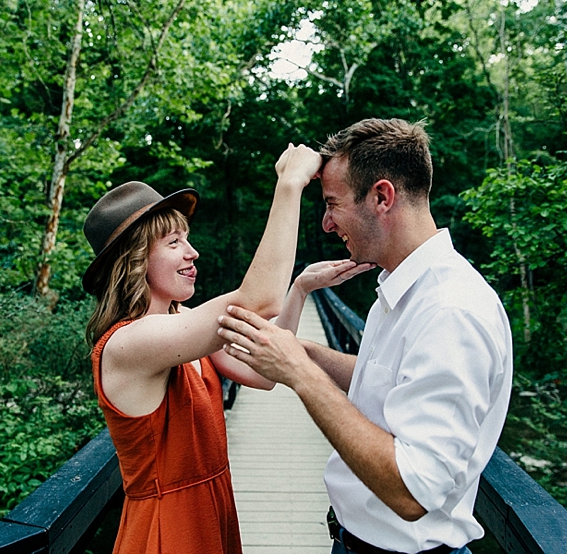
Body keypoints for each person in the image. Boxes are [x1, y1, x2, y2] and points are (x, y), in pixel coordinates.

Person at [218, 119, 513, 554]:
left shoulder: (452, 310)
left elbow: (412, 492)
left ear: (381, 197)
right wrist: (304, 351)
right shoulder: (405, 290)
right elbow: (393, 382)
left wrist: (299, 372)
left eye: (332, 203)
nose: (325, 223)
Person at [75, 143, 320, 553]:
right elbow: (257, 299)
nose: (193, 253)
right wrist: (289, 184)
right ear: (135, 260)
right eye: (174, 243)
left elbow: (263, 374)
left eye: (187, 239)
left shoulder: (180, 326)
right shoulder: (129, 342)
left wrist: (299, 289)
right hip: (167, 529)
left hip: (212, 509)